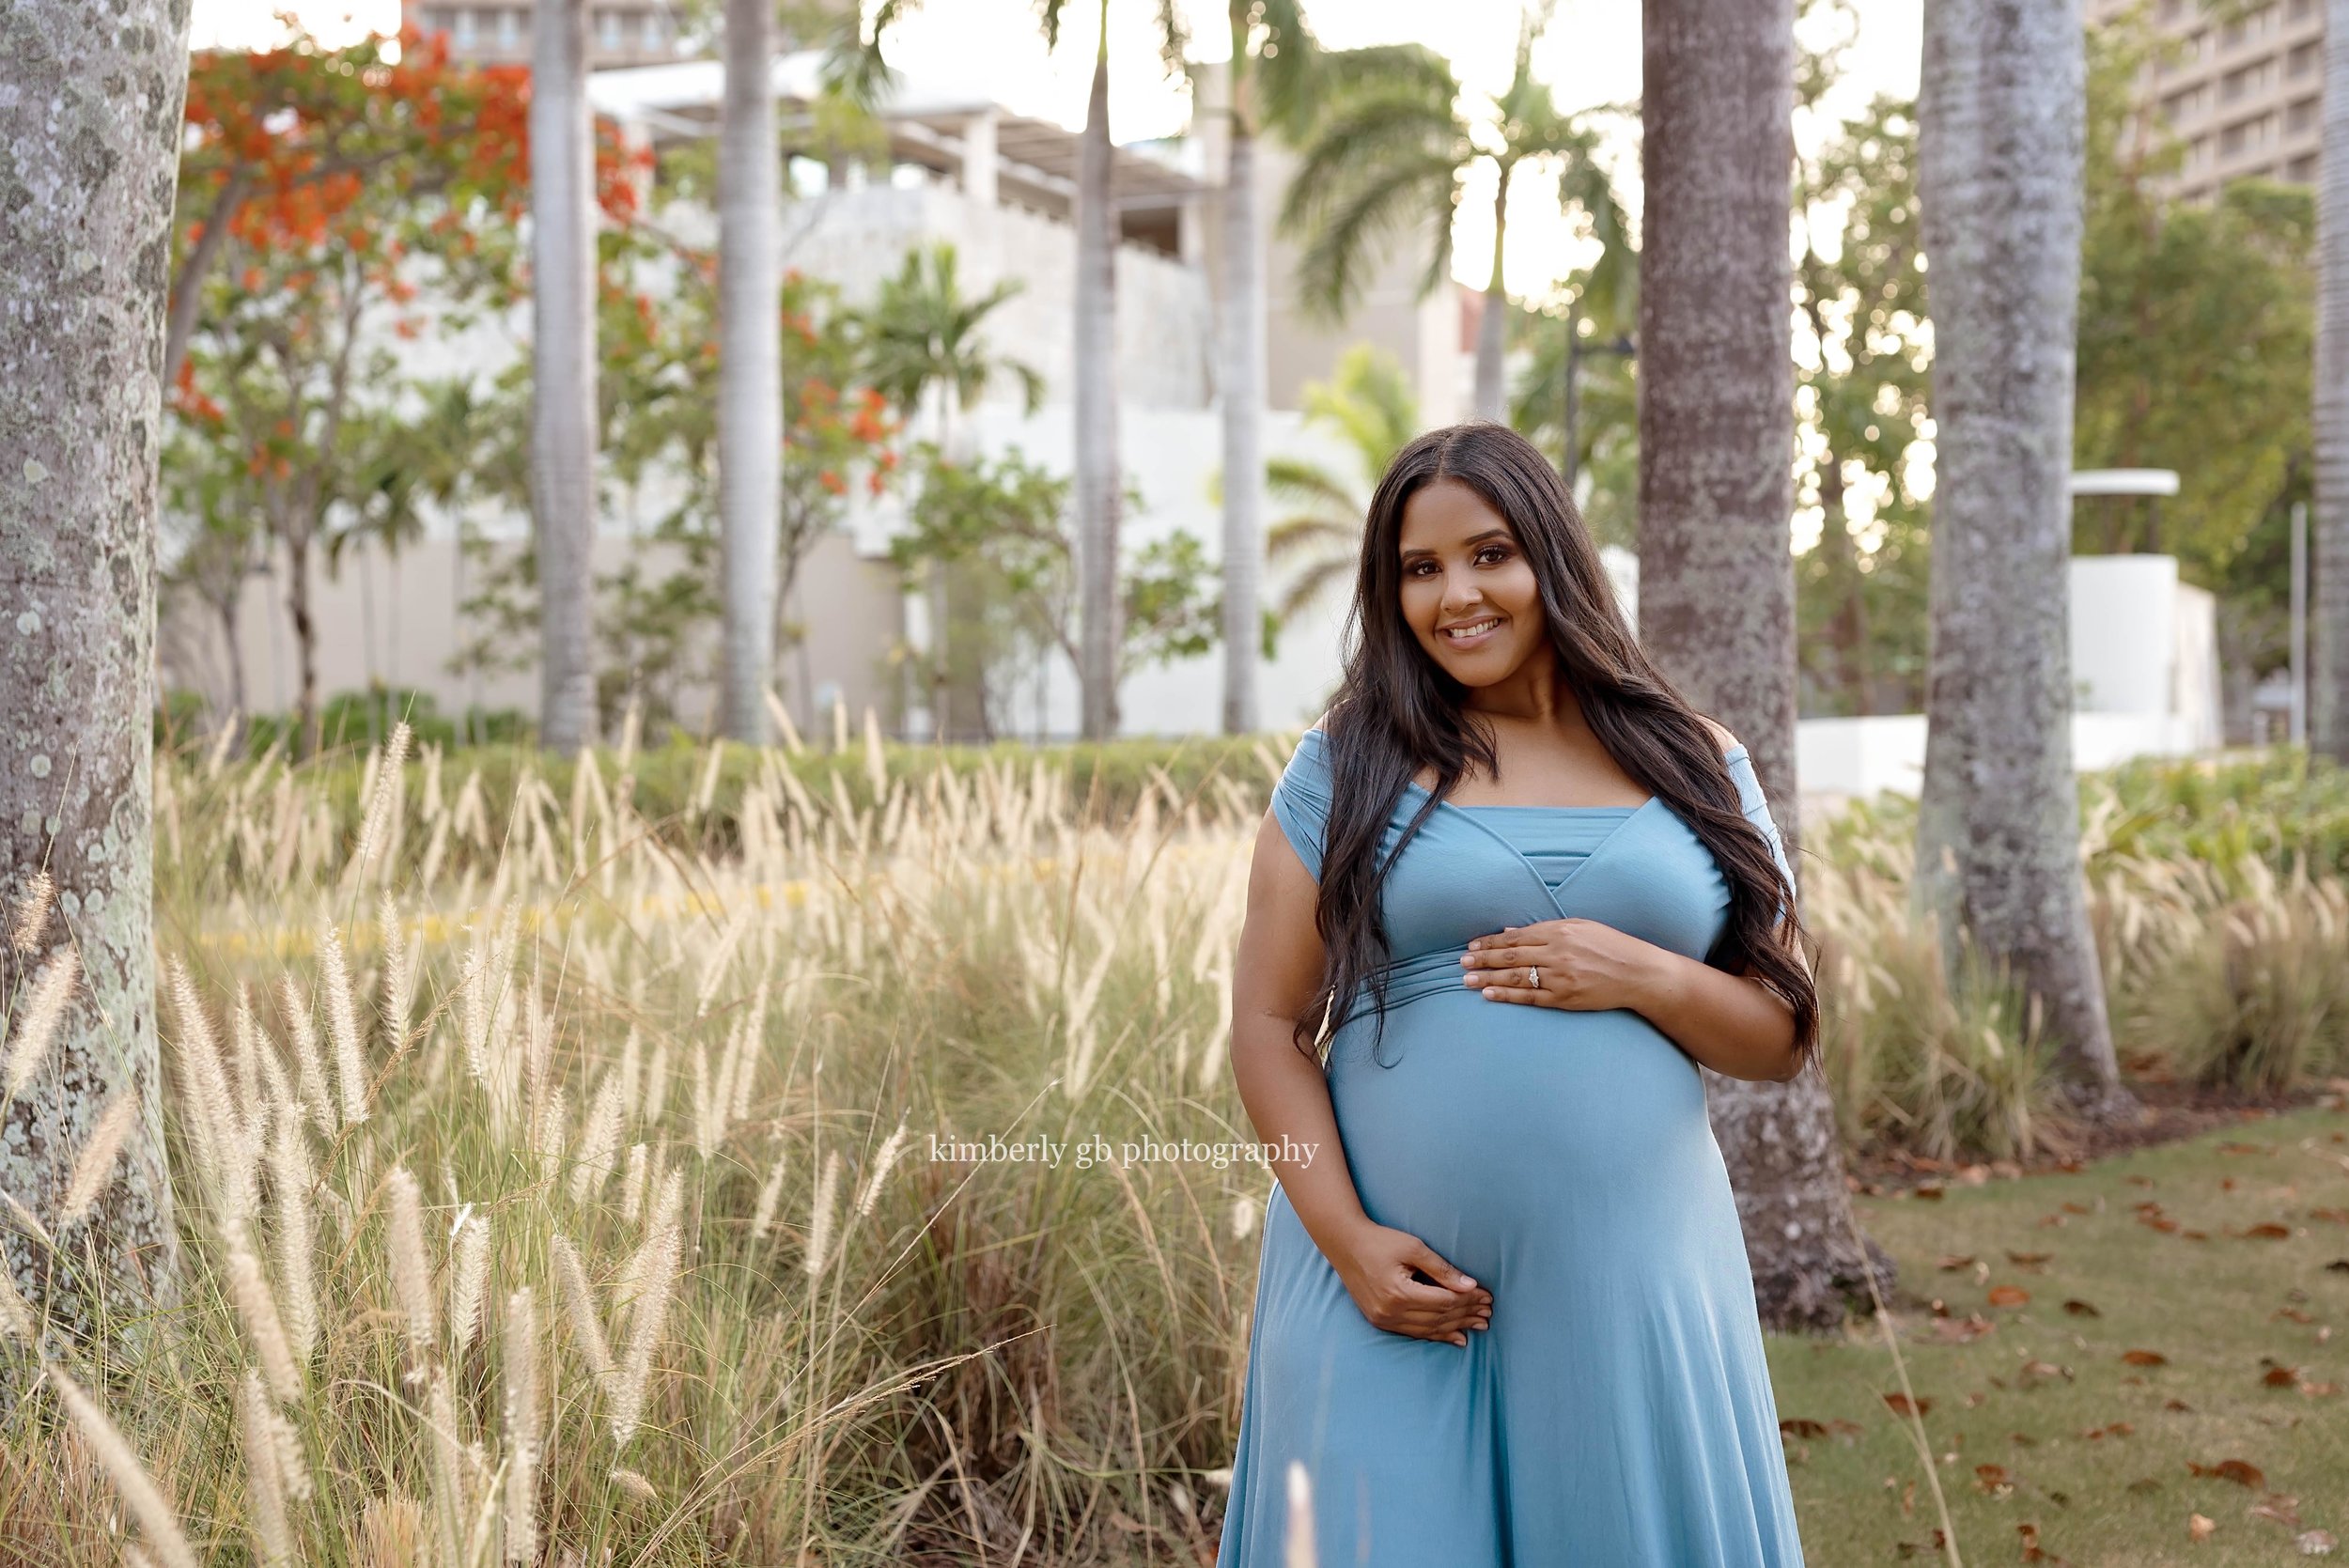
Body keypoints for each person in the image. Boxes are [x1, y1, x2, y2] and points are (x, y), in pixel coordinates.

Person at [1215, 422, 1815, 1566]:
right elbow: (1265, 1025)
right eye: (1419, 569)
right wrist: (1346, 1242)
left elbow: (1777, 1037)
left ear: (1552, 556)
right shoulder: (1346, 763)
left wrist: (1638, 970)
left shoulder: (1695, 760)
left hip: (1628, 1270)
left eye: (1489, 553)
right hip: (1388, 1280)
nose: (1455, 596)